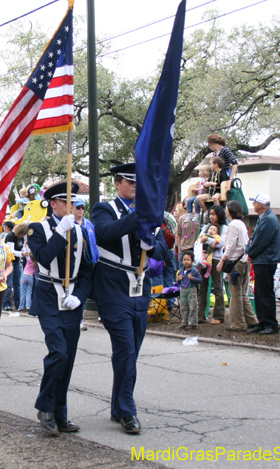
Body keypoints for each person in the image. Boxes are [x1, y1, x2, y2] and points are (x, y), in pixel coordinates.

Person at [91, 163, 168, 435]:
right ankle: (127, 411)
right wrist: (140, 219)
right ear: (117, 183)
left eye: (138, 183)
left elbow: (163, 253)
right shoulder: (104, 209)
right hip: (113, 289)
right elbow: (106, 233)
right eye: (129, 181)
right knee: (125, 348)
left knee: (130, 351)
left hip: (140, 289)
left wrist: (152, 243)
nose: (135, 186)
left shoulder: (148, 214)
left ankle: (117, 405)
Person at [27, 180, 93, 436]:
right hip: (48, 298)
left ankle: (59, 413)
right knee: (59, 353)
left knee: (68, 360)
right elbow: (43, 257)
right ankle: (45, 408)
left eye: (73, 202)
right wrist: (59, 233)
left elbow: (88, 268)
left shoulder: (80, 231)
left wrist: (80, 295)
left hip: (71, 301)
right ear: (53, 203)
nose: (72, 206)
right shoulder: (37, 229)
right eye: (67, 201)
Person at [217, 200, 258, 332]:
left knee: (234, 294)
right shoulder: (241, 224)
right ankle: (252, 320)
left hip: (235, 262)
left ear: (230, 211)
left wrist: (222, 260)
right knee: (243, 293)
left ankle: (237, 323)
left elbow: (231, 246)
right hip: (244, 260)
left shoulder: (233, 225)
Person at [246, 193, 280, 335]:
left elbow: (261, 241)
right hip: (262, 259)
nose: (253, 206)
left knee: (265, 292)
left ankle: (270, 323)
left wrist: (251, 252)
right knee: (260, 293)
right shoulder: (264, 218)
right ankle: (262, 321)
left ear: (260, 205)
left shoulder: (269, 220)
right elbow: (255, 238)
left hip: (266, 260)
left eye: (254, 203)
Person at [197, 206, 227, 325]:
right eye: (210, 214)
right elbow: (199, 240)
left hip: (216, 259)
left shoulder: (224, 228)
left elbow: (222, 244)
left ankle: (219, 315)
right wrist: (208, 240)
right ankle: (200, 315)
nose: (211, 216)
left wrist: (206, 240)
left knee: (217, 287)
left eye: (214, 214)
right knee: (202, 287)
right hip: (204, 259)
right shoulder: (205, 227)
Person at [4, 222, 28, 311]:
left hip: (17, 262)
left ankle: (18, 304)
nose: (23, 236)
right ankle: (6, 303)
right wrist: (22, 253)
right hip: (9, 262)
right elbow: (11, 251)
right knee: (8, 283)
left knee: (17, 283)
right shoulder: (11, 236)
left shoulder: (21, 238)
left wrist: (24, 250)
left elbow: (21, 247)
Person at [177, 251, 203, 329]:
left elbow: (200, 280)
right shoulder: (181, 271)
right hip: (183, 290)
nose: (186, 261)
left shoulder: (195, 271)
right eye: (184, 260)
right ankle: (184, 322)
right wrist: (179, 279)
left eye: (188, 260)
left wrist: (193, 278)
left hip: (191, 290)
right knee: (183, 306)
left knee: (193, 306)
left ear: (192, 261)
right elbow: (177, 282)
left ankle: (192, 323)